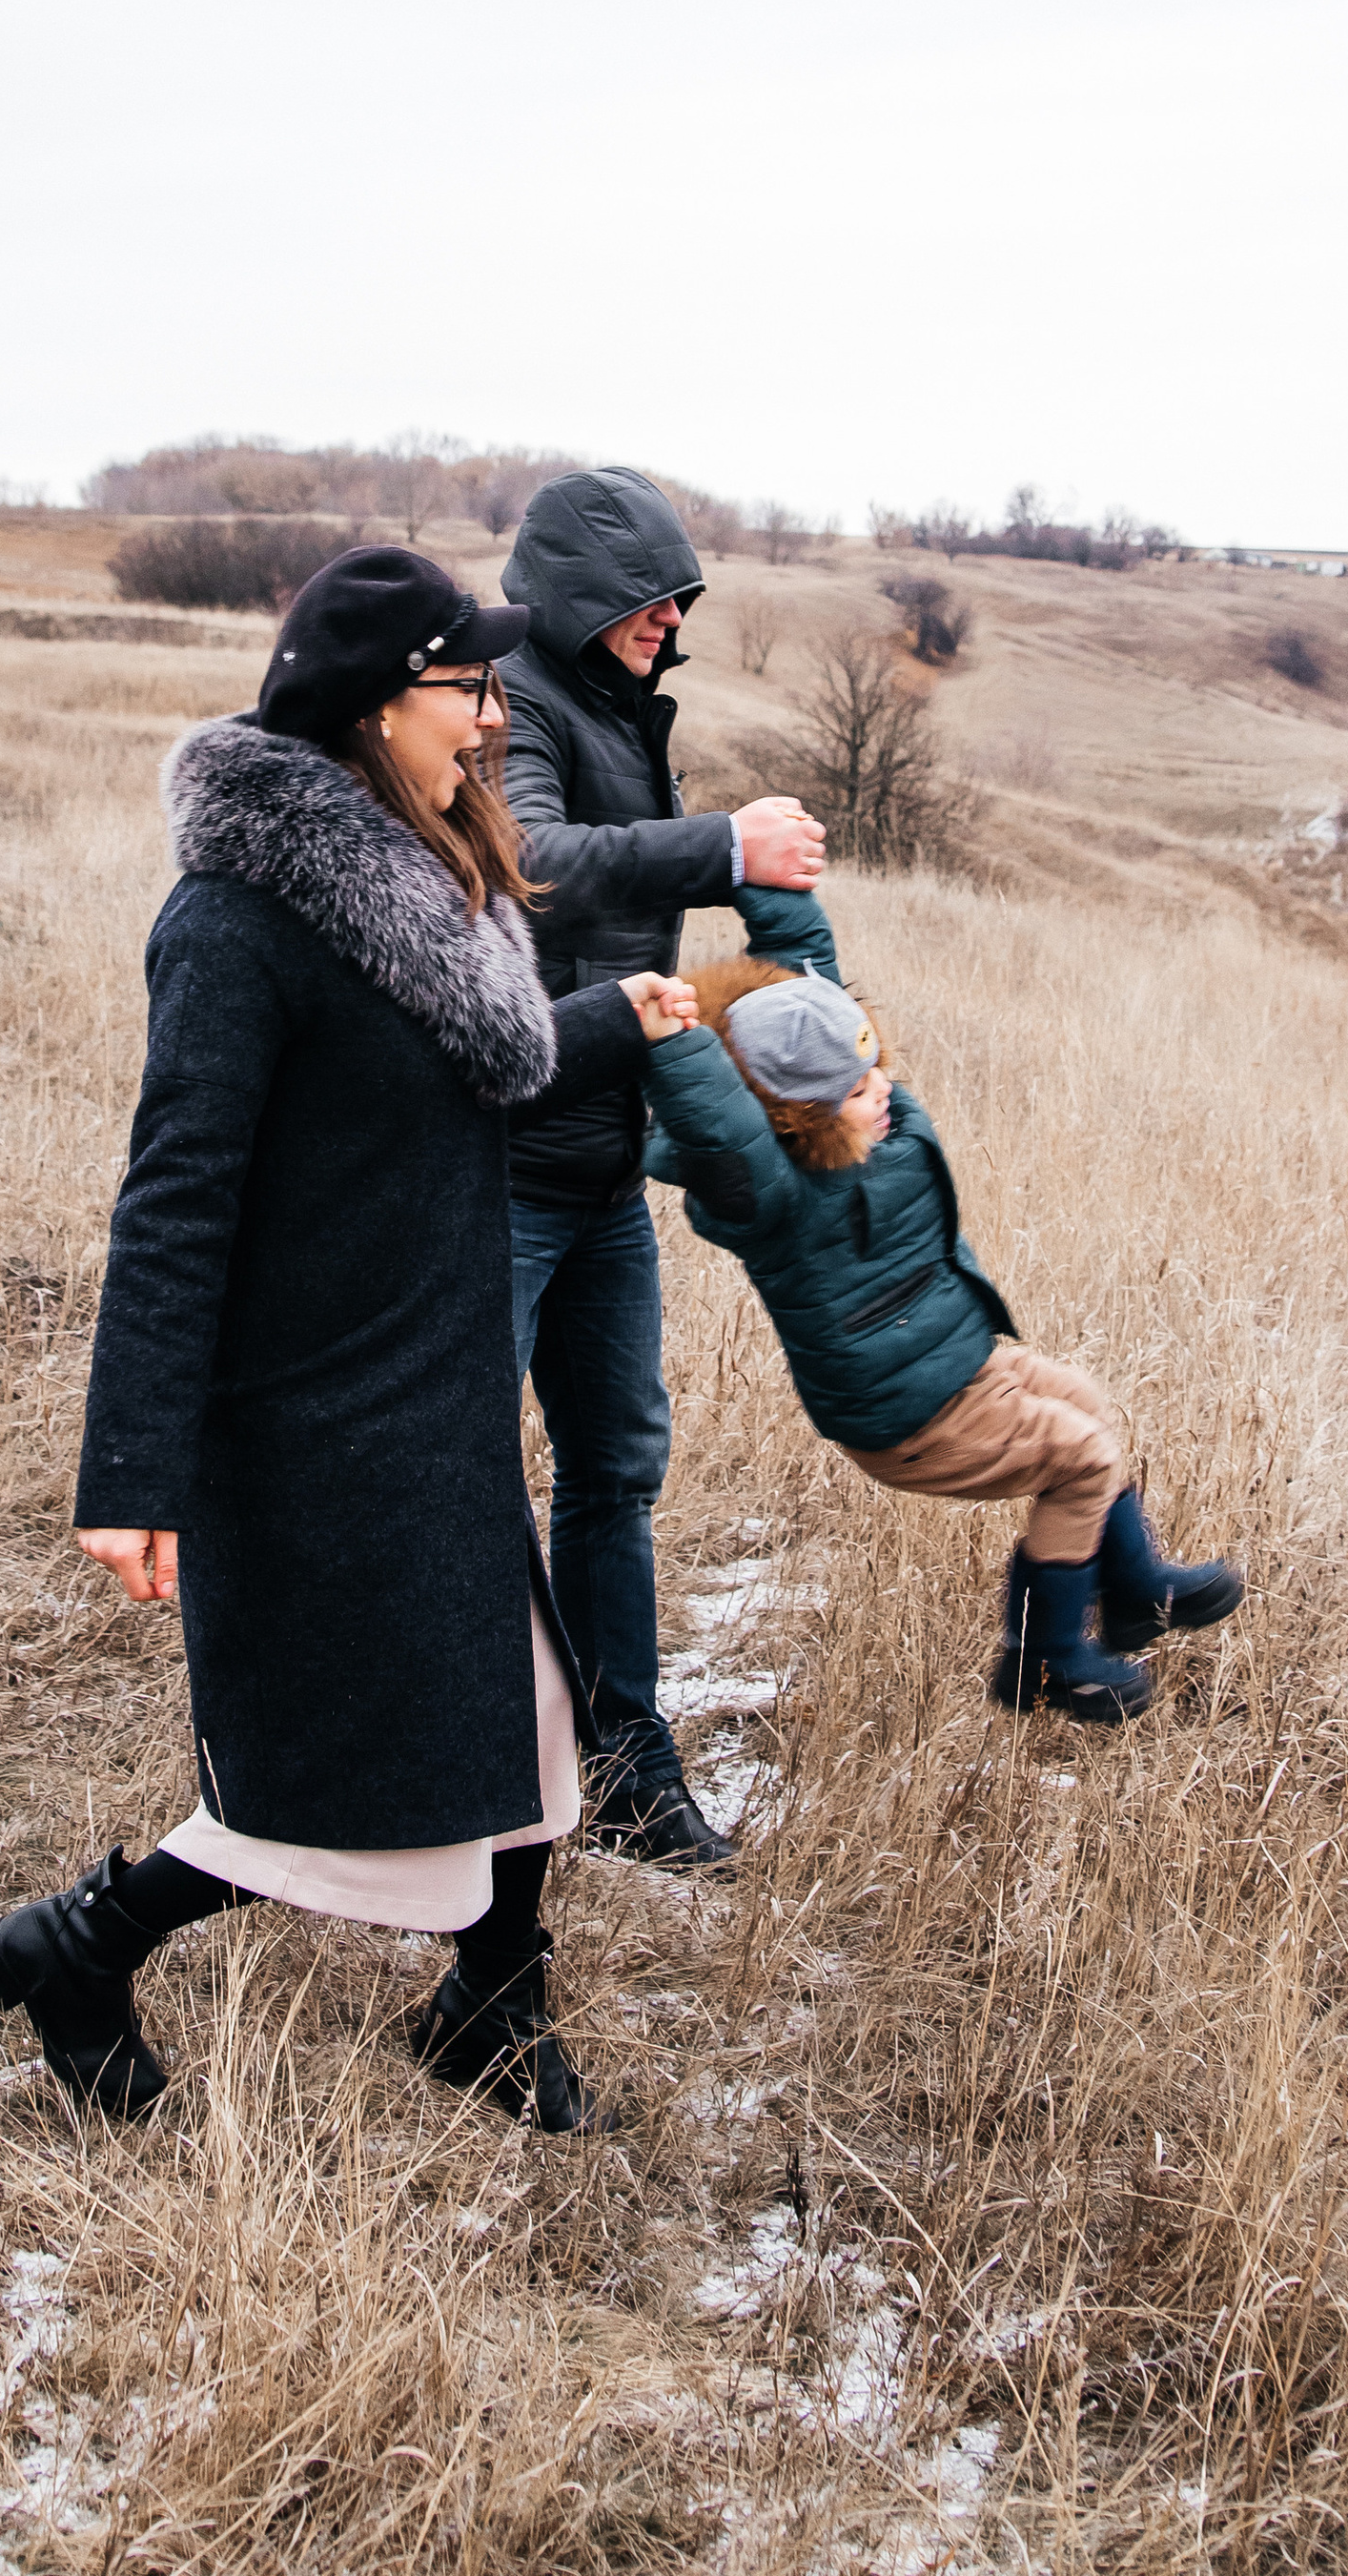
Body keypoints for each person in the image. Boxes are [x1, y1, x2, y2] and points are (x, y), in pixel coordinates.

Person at [0, 547, 700, 2129]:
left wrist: (605, 1017)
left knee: (529, 1719)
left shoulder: (420, 881)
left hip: (429, 1383)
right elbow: (177, 1204)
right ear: (377, 704)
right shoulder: (236, 923)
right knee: (337, 1784)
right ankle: (77, 1948)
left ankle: (495, 2012)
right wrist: (129, 1469)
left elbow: (451, 1071)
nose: (498, 722)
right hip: (314, 1415)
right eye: (471, 689)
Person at [640, 880, 1244, 1724]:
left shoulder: (872, 1107)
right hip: (906, 1417)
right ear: (794, 1115)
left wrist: (769, 884)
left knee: (1092, 1409)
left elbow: (816, 993)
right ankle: (1046, 1661)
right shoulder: (770, 1191)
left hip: (961, 1361)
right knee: (1083, 1459)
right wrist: (675, 1042)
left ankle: (1137, 1590)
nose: (881, 1089)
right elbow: (717, 1122)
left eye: (876, 1066)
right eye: (855, 1089)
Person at [496, 467, 826, 1867]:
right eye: (647, 596)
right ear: (575, 595)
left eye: (682, 596)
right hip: (498, 1163)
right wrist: (719, 846)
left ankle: (629, 1773)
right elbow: (532, 861)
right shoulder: (507, 698)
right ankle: (469, 1774)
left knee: (617, 1469)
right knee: (456, 1473)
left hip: (604, 1168)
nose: (670, 616)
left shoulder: (628, 709)